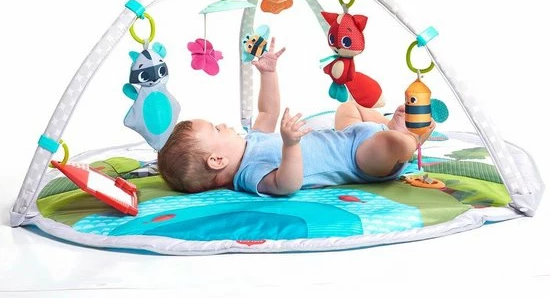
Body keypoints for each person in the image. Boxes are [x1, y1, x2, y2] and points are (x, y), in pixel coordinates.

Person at [157, 39, 435, 196]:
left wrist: (268, 73)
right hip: (360, 161)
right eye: (216, 129)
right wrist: (290, 145)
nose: (223, 125)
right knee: (388, 143)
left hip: (347, 136)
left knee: (347, 109)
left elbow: (268, 111)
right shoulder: (249, 174)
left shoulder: (252, 138)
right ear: (217, 161)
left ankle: (388, 126)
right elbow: (287, 185)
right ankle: (410, 138)